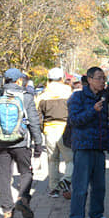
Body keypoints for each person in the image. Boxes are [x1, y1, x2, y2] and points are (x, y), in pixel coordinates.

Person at [0, 67, 43, 218]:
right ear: (19, 80)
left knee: (3, 176)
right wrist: (38, 143)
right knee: (26, 173)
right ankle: (23, 199)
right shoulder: (26, 96)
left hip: (1, 142)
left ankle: (7, 211)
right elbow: (34, 121)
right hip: (22, 142)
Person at [67, 65, 109, 218]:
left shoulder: (103, 99)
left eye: (104, 78)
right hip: (83, 147)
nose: (103, 81)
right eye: (99, 78)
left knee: (99, 185)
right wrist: (92, 111)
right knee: (80, 186)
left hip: (98, 147)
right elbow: (74, 120)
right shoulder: (77, 98)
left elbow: (105, 125)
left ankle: (95, 215)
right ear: (89, 80)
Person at [37, 67, 73, 197]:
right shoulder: (69, 92)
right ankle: (66, 180)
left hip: (49, 130)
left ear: (48, 79)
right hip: (65, 130)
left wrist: (43, 129)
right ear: (62, 79)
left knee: (52, 160)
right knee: (71, 159)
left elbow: (38, 116)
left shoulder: (42, 96)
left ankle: (54, 189)